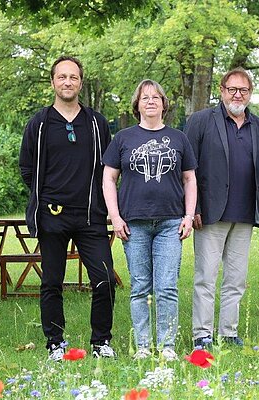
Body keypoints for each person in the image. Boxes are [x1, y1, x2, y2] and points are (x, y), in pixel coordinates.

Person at [19, 56, 117, 361]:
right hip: (53, 217)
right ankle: (55, 343)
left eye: (73, 77)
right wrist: (46, 200)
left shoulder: (96, 122)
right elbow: (26, 168)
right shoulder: (39, 123)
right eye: (61, 77)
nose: (67, 82)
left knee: (104, 280)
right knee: (51, 282)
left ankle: (101, 342)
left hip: (91, 215)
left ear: (80, 83)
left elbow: (108, 168)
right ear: (53, 82)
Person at [102, 79, 197, 361]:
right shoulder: (123, 138)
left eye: (156, 97)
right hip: (134, 224)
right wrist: (115, 216)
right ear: (137, 104)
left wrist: (189, 216)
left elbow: (190, 179)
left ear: (164, 104)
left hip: (170, 222)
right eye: (145, 98)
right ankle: (143, 346)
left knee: (167, 286)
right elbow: (108, 178)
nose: (151, 101)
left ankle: (167, 346)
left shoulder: (179, 138)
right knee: (140, 287)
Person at [185, 68, 259, 348]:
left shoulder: (258, 125)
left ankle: (228, 332)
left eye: (244, 90)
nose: (238, 95)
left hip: (245, 213)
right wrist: (193, 208)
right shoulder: (200, 121)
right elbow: (188, 168)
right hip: (210, 213)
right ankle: (202, 334)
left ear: (250, 94)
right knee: (206, 277)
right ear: (221, 90)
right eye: (232, 89)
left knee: (236, 279)